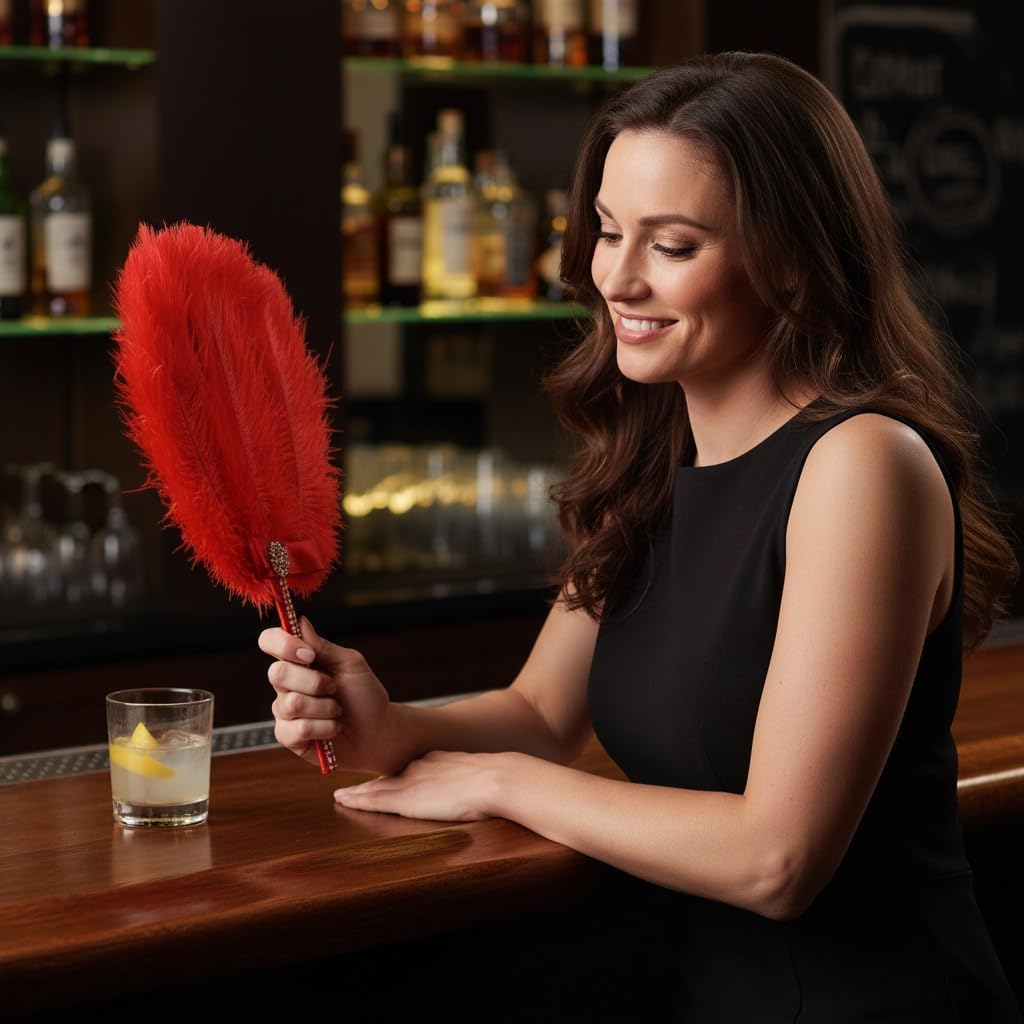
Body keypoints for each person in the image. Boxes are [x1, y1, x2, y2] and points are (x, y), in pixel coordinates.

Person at [260, 52, 1021, 1021]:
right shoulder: (653, 454)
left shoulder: (862, 464)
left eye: (672, 244)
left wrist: (501, 781)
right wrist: (394, 725)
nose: (613, 275)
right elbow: (542, 712)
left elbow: (775, 858)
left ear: (790, 256)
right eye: (609, 230)